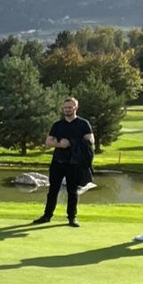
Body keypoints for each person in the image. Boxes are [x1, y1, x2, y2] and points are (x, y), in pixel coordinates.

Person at [33, 96, 95, 227]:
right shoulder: (58, 125)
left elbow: (90, 140)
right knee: (53, 190)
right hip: (58, 161)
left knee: (72, 191)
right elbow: (48, 142)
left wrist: (71, 143)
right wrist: (60, 145)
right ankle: (47, 215)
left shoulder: (83, 124)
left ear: (76, 108)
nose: (67, 110)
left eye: (70, 107)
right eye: (65, 107)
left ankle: (72, 217)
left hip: (74, 162)